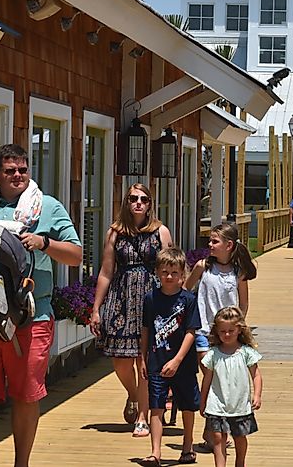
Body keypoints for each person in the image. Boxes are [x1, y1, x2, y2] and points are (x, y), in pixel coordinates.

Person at [0, 144, 82, 467]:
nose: (18, 175)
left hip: (30, 316)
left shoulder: (48, 208)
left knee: (25, 395)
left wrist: (44, 242)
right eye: (11, 170)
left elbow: (76, 254)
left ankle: (21, 464)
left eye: (23, 170)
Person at [90, 184, 174, 437]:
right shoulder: (115, 233)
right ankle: (133, 394)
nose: (138, 203)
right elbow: (106, 272)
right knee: (121, 360)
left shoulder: (161, 232)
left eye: (144, 199)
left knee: (145, 360)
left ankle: (142, 417)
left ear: (150, 204)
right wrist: (96, 308)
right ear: (126, 203)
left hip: (151, 298)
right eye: (133, 199)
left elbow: (172, 267)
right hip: (121, 299)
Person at [185, 223, 257, 453]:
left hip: (228, 334)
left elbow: (243, 303)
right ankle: (212, 431)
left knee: (224, 379)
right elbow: (187, 291)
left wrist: (237, 328)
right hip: (205, 332)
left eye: (215, 241)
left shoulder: (239, 273)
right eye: (210, 241)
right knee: (209, 375)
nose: (210, 245)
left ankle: (216, 429)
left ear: (229, 245)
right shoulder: (202, 267)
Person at [139, 248, 200, 466]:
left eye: (174, 272)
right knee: (156, 406)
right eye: (164, 272)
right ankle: (156, 451)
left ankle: (187, 445)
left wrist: (177, 360)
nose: (169, 276)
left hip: (183, 362)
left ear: (182, 274)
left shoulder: (189, 299)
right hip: (157, 360)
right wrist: (143, 358)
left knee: (188, 405)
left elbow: (191, 332)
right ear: (157, 272)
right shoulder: (150, 298)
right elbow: (146, 329)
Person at [199, 306, 263, 467]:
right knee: (218, 437)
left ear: (239, 330)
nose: (226, 335)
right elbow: (207, 378)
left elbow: (256, 375)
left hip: (239, 403)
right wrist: (203, 401)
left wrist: (257, 395)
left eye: (231, 331)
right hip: (217, 403)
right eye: (222, 331)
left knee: (239, 436)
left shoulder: (246, 352)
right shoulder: (213, 354)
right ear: (217, 332)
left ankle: (240, 462)